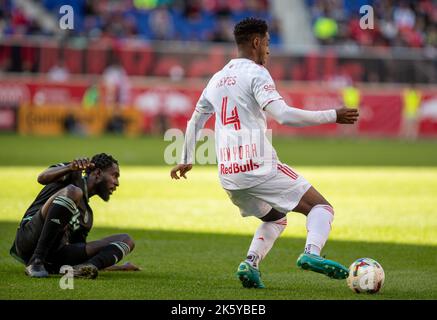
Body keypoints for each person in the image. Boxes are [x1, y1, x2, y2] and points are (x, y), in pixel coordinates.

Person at [170, 18, 359, 289]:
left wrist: (186, 157)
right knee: (321, 207)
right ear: (256, 42)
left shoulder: (217, 78)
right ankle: (312, 253)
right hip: (258, 166)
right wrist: (332, 115)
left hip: (229, 176)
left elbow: (195, 120)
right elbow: (283, 115)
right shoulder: (256, 73)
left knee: (276, 217)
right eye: (268, 43)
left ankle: (251, 262)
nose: (269, 50)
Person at [10, 153, 138, 279]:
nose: (117, 183)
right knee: (74, 192)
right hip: (28, 237)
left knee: (126, 239)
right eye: (114, 176)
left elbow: (78, 251)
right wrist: (69, 167)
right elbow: (42, 178)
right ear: (98, 173)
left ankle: (88, 267)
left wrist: (118, 267)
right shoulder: (72, 174)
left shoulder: (87, 216)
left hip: (54, 255)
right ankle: (36, 261)